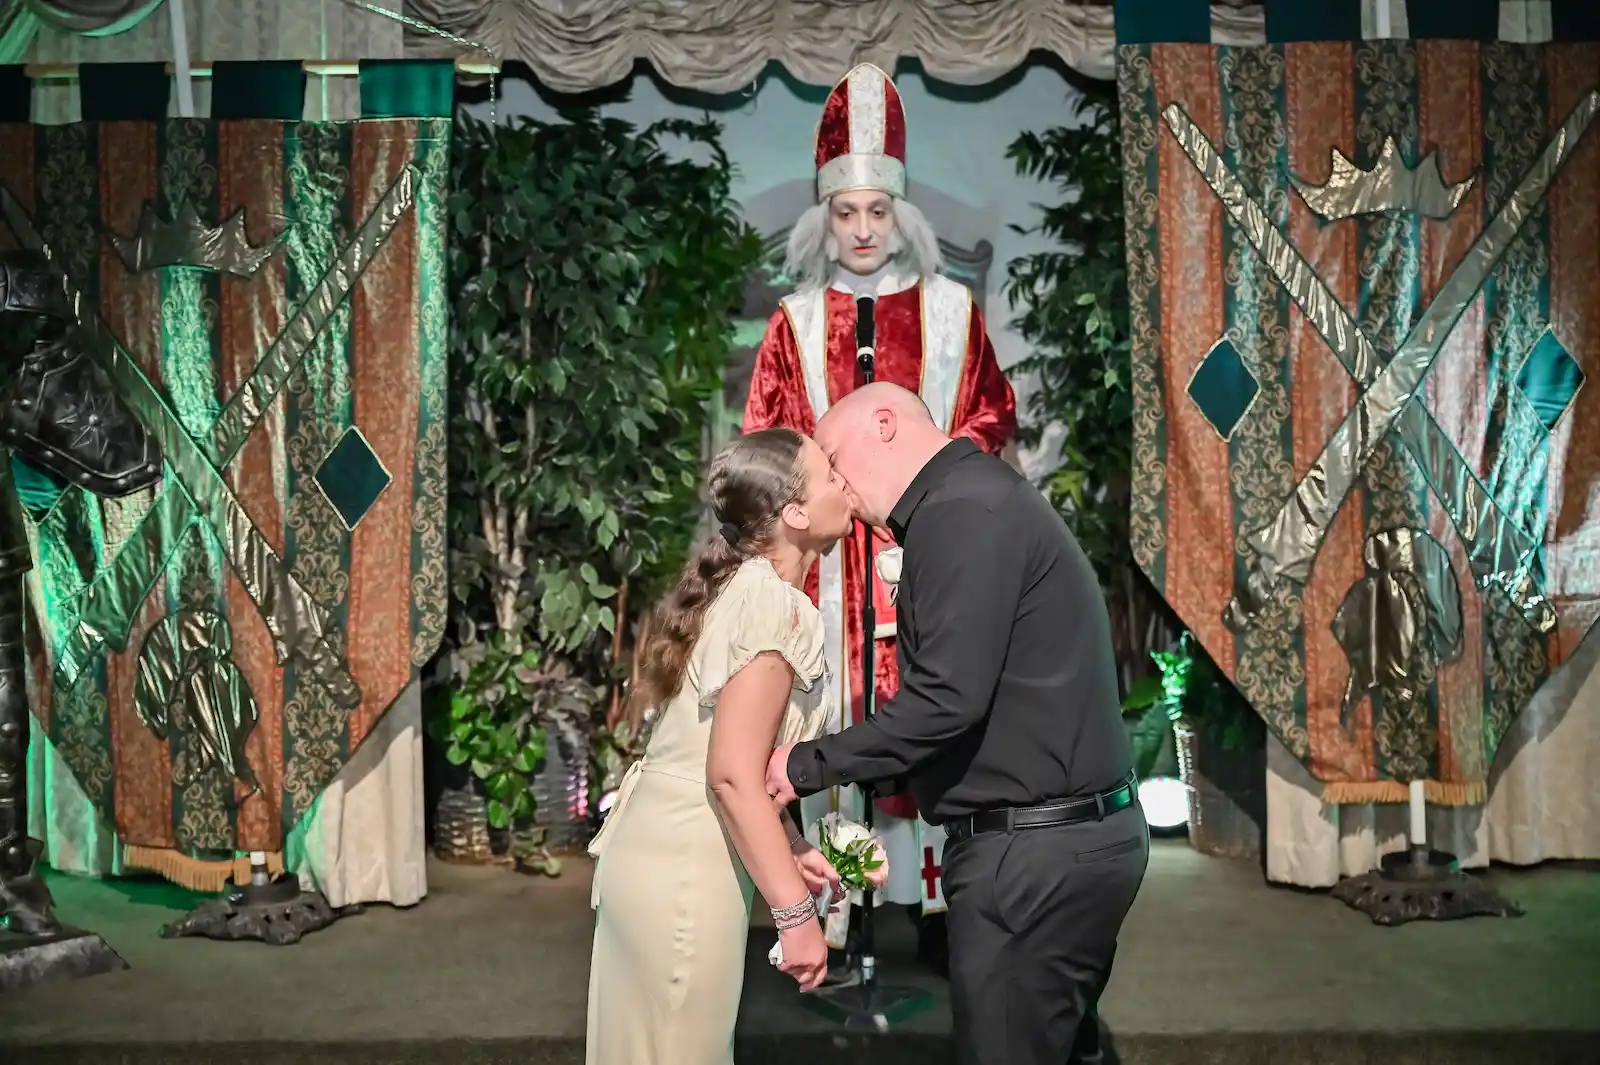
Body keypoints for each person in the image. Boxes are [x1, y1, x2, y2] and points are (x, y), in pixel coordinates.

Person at [766, 383, 1149, 1065]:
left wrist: (802, 765)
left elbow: (947, 700)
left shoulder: (961, 511)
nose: (833, 482)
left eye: (830, 455)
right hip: (1065, 841)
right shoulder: (972, 500)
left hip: (1034, 857)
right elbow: (980, 702)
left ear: (885, 423)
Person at [743, 60, 1018, 976]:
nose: (862, 231)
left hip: (927, 560)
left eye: (877, 211)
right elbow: (766, 443)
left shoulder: (952, 311)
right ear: (824, 217)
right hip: (821, 572)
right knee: (827, 718)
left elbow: (989, 418)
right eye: (845, 212)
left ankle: (937, 905)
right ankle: (835, 906)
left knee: (934, 706)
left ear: (902, 212)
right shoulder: (791, 320)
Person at [585, 427, 887, 1065]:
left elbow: (727, 758)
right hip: (684, 867)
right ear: (795, 514)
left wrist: (793, 843)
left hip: (658, 850)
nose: (845, 484)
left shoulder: (740, 587)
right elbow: (729, 776)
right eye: (830, 474)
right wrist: (796, 916)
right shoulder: (774, 607)